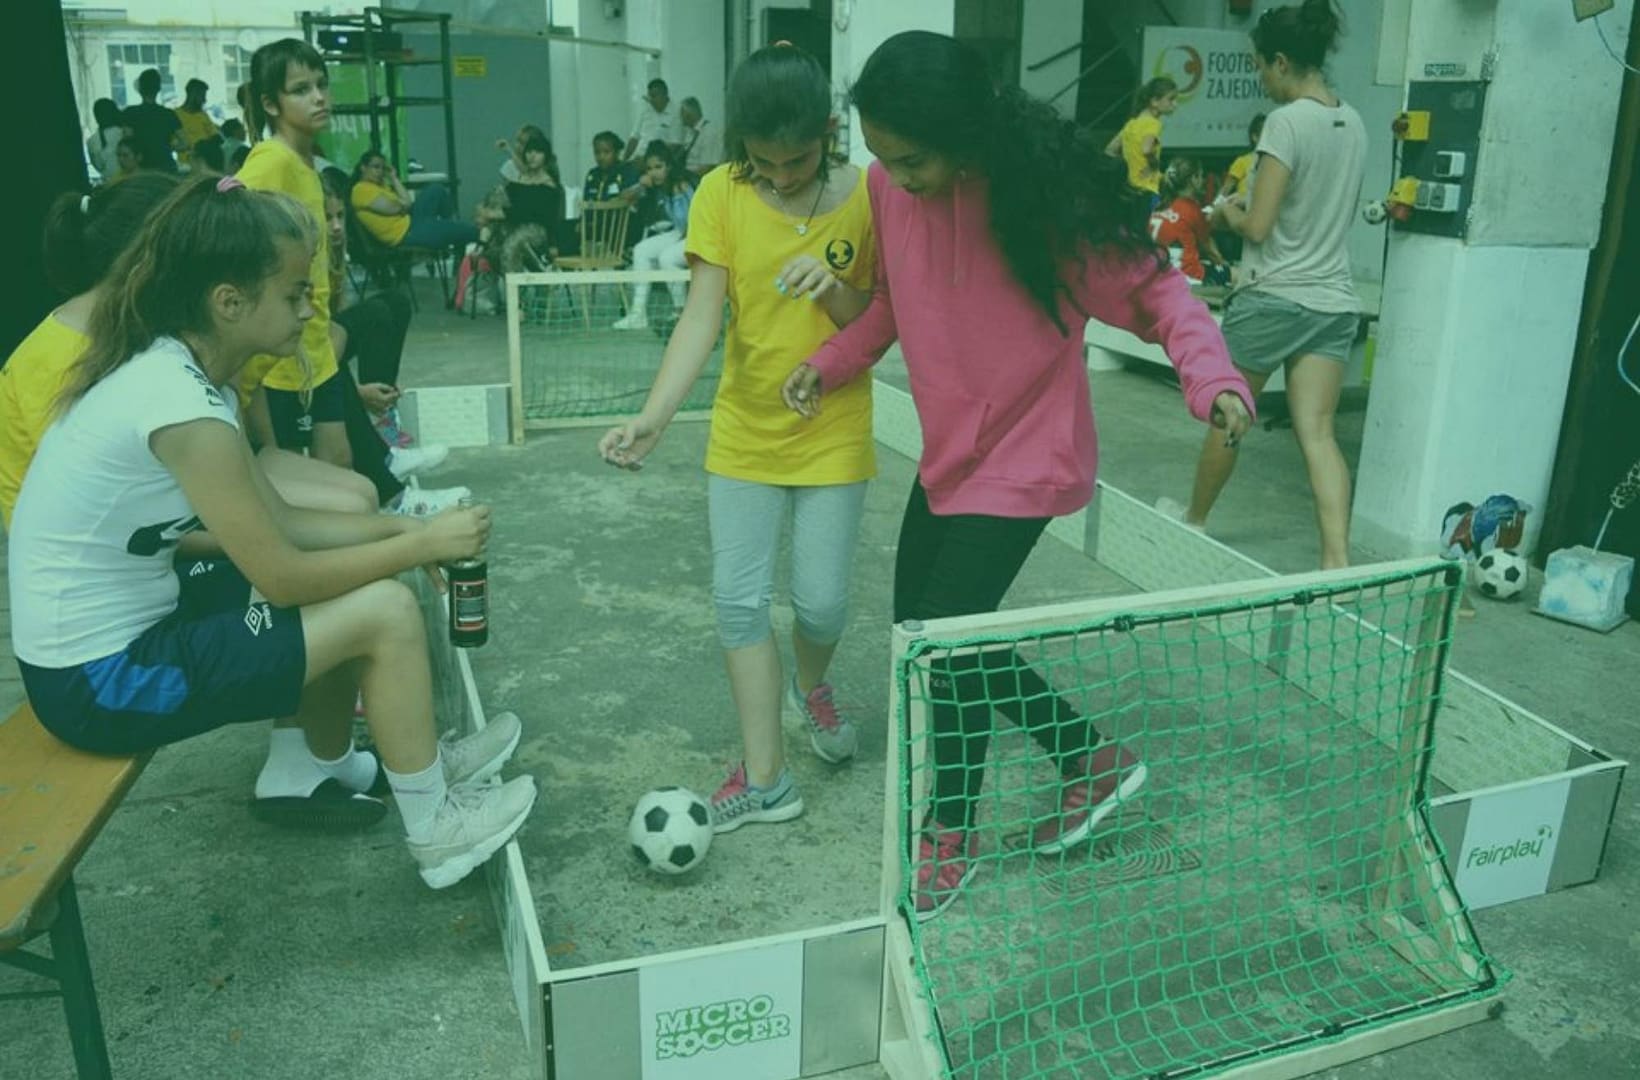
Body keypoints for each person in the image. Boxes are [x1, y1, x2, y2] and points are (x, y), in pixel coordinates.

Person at [779, 31, 1253, 919]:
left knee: (949, 647)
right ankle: (1090, 759)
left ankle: (949, 834)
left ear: (963, 134)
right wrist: (835, 361)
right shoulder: (889, 188)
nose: (894, 173)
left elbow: (1159, 295)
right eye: (880, 154)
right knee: (923, 634)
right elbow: (889, 301)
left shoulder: (1042, 202)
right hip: (951, 452)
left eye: (911, 157)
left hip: (1033, 454)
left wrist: (1213, 378)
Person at [8, 176, 535, 888]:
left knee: (363, 567)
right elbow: (281, 571)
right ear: (229, 303)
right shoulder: (180, 403)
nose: (310, 307)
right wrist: (417, 547)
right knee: (382, 609)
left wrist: (403, 527)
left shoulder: (190, 377)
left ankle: (390, 764)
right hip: (99, 682)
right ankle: (436, 829)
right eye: (292, 294)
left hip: (125, 637)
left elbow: (282, 522)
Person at [599, 44, 878, 833]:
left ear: (828, 131)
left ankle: (812, 686)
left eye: (798, 159)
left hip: (833, 430)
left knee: (821, 606)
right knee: (737, 603)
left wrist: (838, 292)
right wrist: (654, 417)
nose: (783, 175)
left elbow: (881, 323)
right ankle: (766, 779)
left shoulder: (869, 196)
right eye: (765, 161)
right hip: (745, 430)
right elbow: (700, 314)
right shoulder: (721, 193)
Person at [1167, 0, 1365, 570]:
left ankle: (1194, 521)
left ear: (1281, 61)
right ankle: (1336, 560)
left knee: (1231, 414)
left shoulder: (1286, 122)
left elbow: (1258, 224)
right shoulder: (1352, 121)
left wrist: (1227, 213)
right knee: (1319, 433)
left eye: (1260, 67)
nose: (1260, 78)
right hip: (1333, 299)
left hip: (1274, 294)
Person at [318, 169, 467, 517]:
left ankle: (384, 431)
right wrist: (355, 393)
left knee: (392, 305)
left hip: (317, 346)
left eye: (340, 216)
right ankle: (388, 486)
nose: (337, 226)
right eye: (327, 218)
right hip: (295, 362)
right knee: (331, 362)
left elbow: (331, 326)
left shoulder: (333, 252)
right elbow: (315, 348)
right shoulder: (305, 256)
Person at [234, 39, 350, 468]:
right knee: (307, 479)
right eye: (300, 89)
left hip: (314, 342)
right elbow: (228, 215)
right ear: (270, 103)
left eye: (321, 84)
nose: (318, 97)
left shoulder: (305, 165)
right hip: (281, 359)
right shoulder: (271, 159)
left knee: (339, 466)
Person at [613, 140, 694, 330]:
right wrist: (640, 186)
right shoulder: (660, 186)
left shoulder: (682, 185)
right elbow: (624, 198)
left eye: (659, 167)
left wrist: (685, 236)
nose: (654, 172)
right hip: (680, 231)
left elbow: (699, 218)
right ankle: (637, 314)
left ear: (669, 166)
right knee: (642, 250)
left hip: (700, 233)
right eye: (650, 168)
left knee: (667, 258)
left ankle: (681, 312)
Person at [350, 148, 479, 251]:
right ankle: (470, 234)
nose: (380, 171)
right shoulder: (360, 190)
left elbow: (407, 203)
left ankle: (452, 238)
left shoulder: (381, 185)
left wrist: (394, 179)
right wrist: (402, 206)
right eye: (375, 167)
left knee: (436, 189)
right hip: (404, 233)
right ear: (363, 167)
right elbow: (394, 208)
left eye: (382, 168)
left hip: (411, 219)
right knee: (466, 230)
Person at [1150, 158, 1230, 285]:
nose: (1203, 181)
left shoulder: (1159, 206)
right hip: (1186, 273)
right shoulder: (1190, 208)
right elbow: (1208, 248)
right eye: (1201, 176)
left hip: (1157, 271)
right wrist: (1224, 264)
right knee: (1234, 274)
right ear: (1193, 179)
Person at [1105, 76, 1177, 205]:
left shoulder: (1131, 124)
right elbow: (1146, 149)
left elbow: (1110, 150)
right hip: (1148, 191)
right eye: (1171, 99)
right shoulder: (1154, 124)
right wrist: (1154, 166)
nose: (1175, 104)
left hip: (1129, 191)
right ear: (1154, 101)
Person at [122, 68, 182, 172]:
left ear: (140, 89)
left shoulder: (130, 113)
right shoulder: (169, 114)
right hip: (167, 167)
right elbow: (185, 143)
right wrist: (168, 147)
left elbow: (128, 141)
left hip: (142, 170)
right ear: (158, 89)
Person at [625, 77, 682, 161]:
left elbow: (675, 145)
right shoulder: (646, 109)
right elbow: (634, 137)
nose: (651, 100)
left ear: (665, 94)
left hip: (656, 161)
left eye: (654, 96)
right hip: (637, 158)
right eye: (650, 96)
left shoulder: (676, 113)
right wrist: (625, 159)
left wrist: (647, 160)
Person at [584, 130, 641, 204]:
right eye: (597, 152)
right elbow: (586, 202)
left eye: (606, 152)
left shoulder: (627, 171)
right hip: (594, 215)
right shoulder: (592, 175)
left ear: (617, 152)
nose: (601, 157)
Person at [174, 78, 219, 170]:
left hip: (205, 165)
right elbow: (173, 143)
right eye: (202, 96)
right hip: (185, 166)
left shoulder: (203, 115)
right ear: (193, 94)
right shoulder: (175, 115)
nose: (204, 100)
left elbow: (215, 136)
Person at [680, 95, 725, 182]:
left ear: (689, 115)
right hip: (688, 175)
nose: (680, 117)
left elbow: (709, 167)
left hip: (698, 179)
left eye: (681, 113)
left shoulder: (709, 133)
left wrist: (686, 178)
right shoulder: (690, 132)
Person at [1222, 112, 1266, 199]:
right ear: (1254, 137)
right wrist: (1213, 208)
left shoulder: (1275, 162)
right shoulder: (1242, 161)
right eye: (1265, 135)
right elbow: (1225, 191)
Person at [86, 97, 127, 182]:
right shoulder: (124, 133)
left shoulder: (91, 141)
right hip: (128, 180)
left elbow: (98, 167)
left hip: (107, 183)